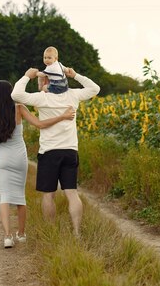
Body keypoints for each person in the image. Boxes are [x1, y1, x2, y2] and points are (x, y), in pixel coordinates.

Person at [0, 80, 76, 248]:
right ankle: (21, 234)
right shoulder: (19, 108)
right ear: (11, 93)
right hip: (19, 157)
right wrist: (62, 116)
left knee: (4, 196)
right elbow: (40, 124)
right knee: (19, 196)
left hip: (3, 156)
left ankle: (8, 237)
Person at [11, 66, 100, 237]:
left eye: (40, 81)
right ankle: (76, 232)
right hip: (70, 151)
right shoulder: (73, 95)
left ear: (46, 81)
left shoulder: (42, 98)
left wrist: (26, 76)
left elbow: (16, 95)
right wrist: (75, 75)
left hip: (49, 152)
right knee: (72, 193)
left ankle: (51, 232)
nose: (39, 84)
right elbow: (95, 89)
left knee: (48, 195)